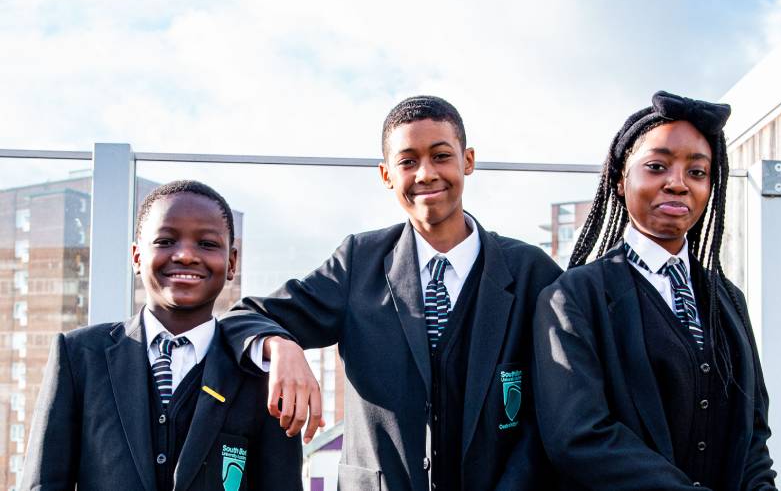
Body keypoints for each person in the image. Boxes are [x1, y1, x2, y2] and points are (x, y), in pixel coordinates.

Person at [218, 95, 563, 490]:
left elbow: (555, 408)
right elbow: (243, 316)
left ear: (467, 160)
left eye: (441, 156)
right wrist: (281, 345)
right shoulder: (358, 262)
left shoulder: (531, 272)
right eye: (408, 161)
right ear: (386, 175)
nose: (426, 174)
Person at [533, 91, 777, 490]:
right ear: (619, 180)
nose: (677, 184)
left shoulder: (727, 299)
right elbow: (578, 436)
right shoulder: (573, 297)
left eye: (697, 172)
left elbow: (752, 434)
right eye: (657, 166)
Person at [21, 180, 302, 491]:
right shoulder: (79, 356)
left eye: (207, 244)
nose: (184, 255)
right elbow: (43, 483)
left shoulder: (262, 378)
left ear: (232, 262)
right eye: (165, 241)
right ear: (137, 256)